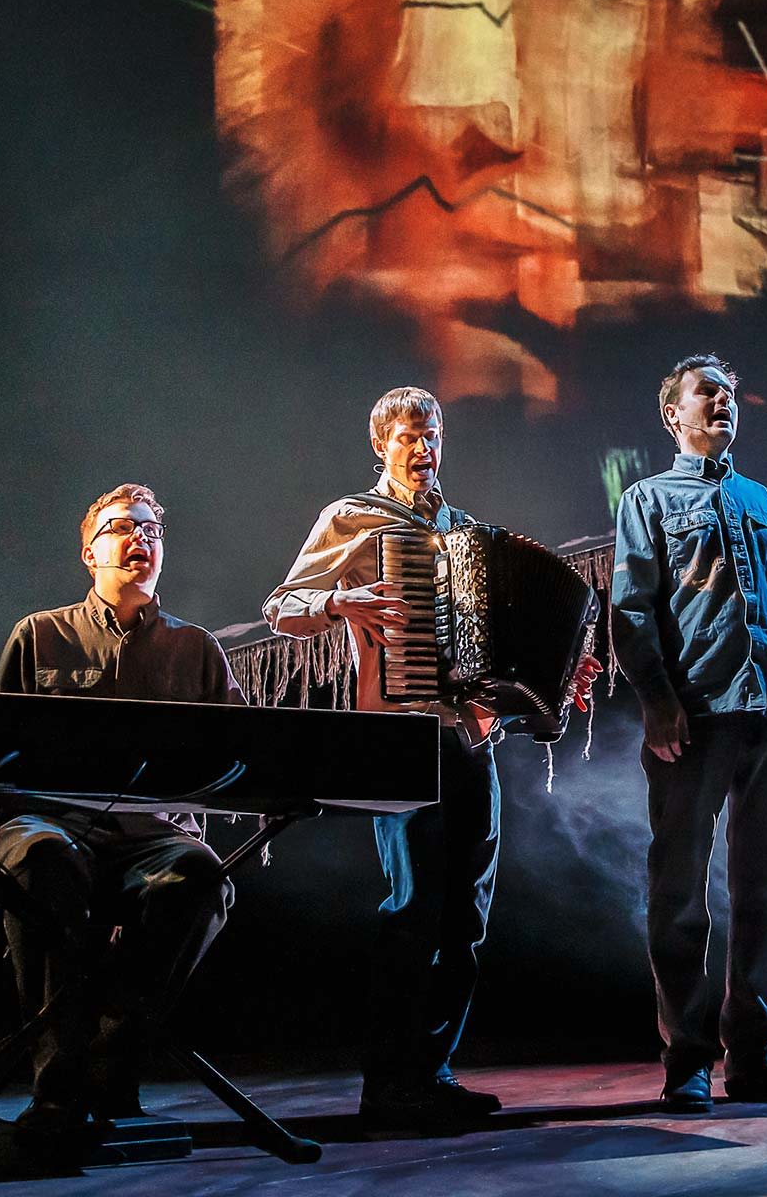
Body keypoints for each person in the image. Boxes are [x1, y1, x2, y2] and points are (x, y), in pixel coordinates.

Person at [264, 385, 599, 1131]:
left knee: (466, 913)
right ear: (381, 443)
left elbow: (504, 647)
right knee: (413, 907)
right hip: (400, 736)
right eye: (411, 435)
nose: (424, 448)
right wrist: (337, 606)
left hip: (471, 737)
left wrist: (561, 669)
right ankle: (390, 1082)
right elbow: (281, 606)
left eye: (433, 433)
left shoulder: (465, 531)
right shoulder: (352, 518)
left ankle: (432, 1071)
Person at [611, 353, 767, 1111]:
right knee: (678, 897)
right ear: (672, 414)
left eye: (730, 394)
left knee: (763, 893)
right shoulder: (645, 499)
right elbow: (630, 611)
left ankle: (758, 1059)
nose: (723, 404)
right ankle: (688, 1064)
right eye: (707, 394)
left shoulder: (764, 502)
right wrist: (656, 700)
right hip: (693, 718)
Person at [0, 483, 242, 1140]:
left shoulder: (198, 649)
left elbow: (248, 754)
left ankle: (112, 1052)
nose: (142, 540)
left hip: (154, 834)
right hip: (52, 823)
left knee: (201, 876)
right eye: (124, 527)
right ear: (88, 552)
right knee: (42, 859)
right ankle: (58, 1093)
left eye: (153, 531)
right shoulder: (39, 634)